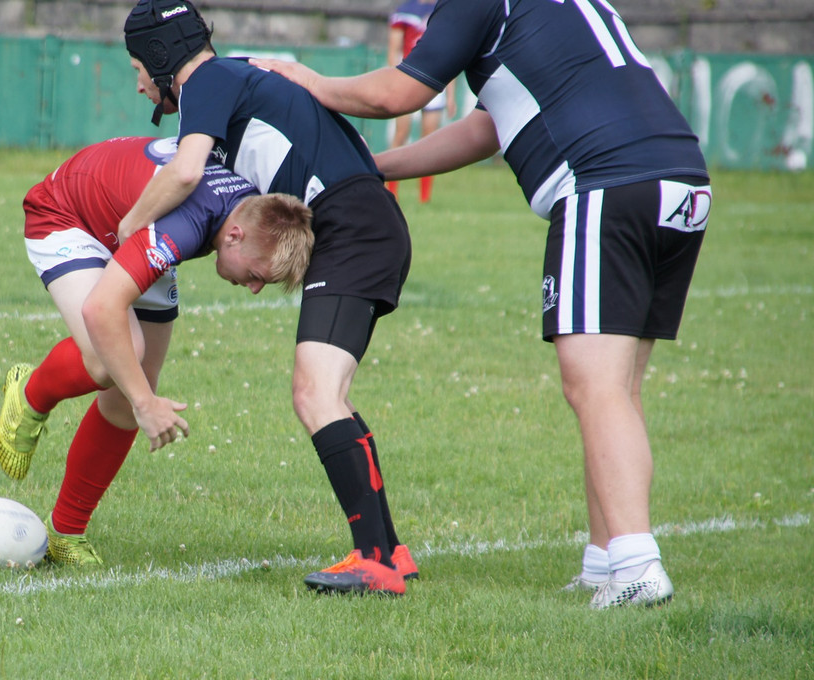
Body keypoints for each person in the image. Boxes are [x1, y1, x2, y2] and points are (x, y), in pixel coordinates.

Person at [252, 0, 711, 608]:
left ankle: (636, 565)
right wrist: (371, 169)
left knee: (595, 388)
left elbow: (398, 92)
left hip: (606, 183)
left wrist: (309, 79)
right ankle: (607, 560)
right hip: (678, 182)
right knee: (618, 389)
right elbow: (490, 126)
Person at [114, 0, 419, 596]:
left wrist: (128, 230)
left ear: (158, 53)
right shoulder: (234, 81)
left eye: (136, 67)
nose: (139, 82)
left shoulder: (207, 79)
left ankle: (376, 560)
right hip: (365, 222)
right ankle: (389, 551)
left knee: (314, 392)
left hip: (350, 223)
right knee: (329, 394)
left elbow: (182, 173)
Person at [0, 136, 314, 565]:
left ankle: (66, 532)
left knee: (126, 394)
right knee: (110, 364)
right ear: (234, 235)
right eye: (256, 275)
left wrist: (137, 399)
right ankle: (30, 393)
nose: (254, 288)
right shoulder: (190, 224)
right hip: (69, 213)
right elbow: (101, 309)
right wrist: (146, 403)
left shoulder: (247, 212)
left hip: (134, 227)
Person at [384, 0, 455, 203]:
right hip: (408, 78)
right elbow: (393, 49)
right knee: (401, 134)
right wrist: (395, 80)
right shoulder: (406, 11)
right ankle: (391, 191)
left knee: (430, 139)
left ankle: (424, 197)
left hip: (435, 79)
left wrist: (450, 94)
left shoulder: (442, 9)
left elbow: (451, 51)